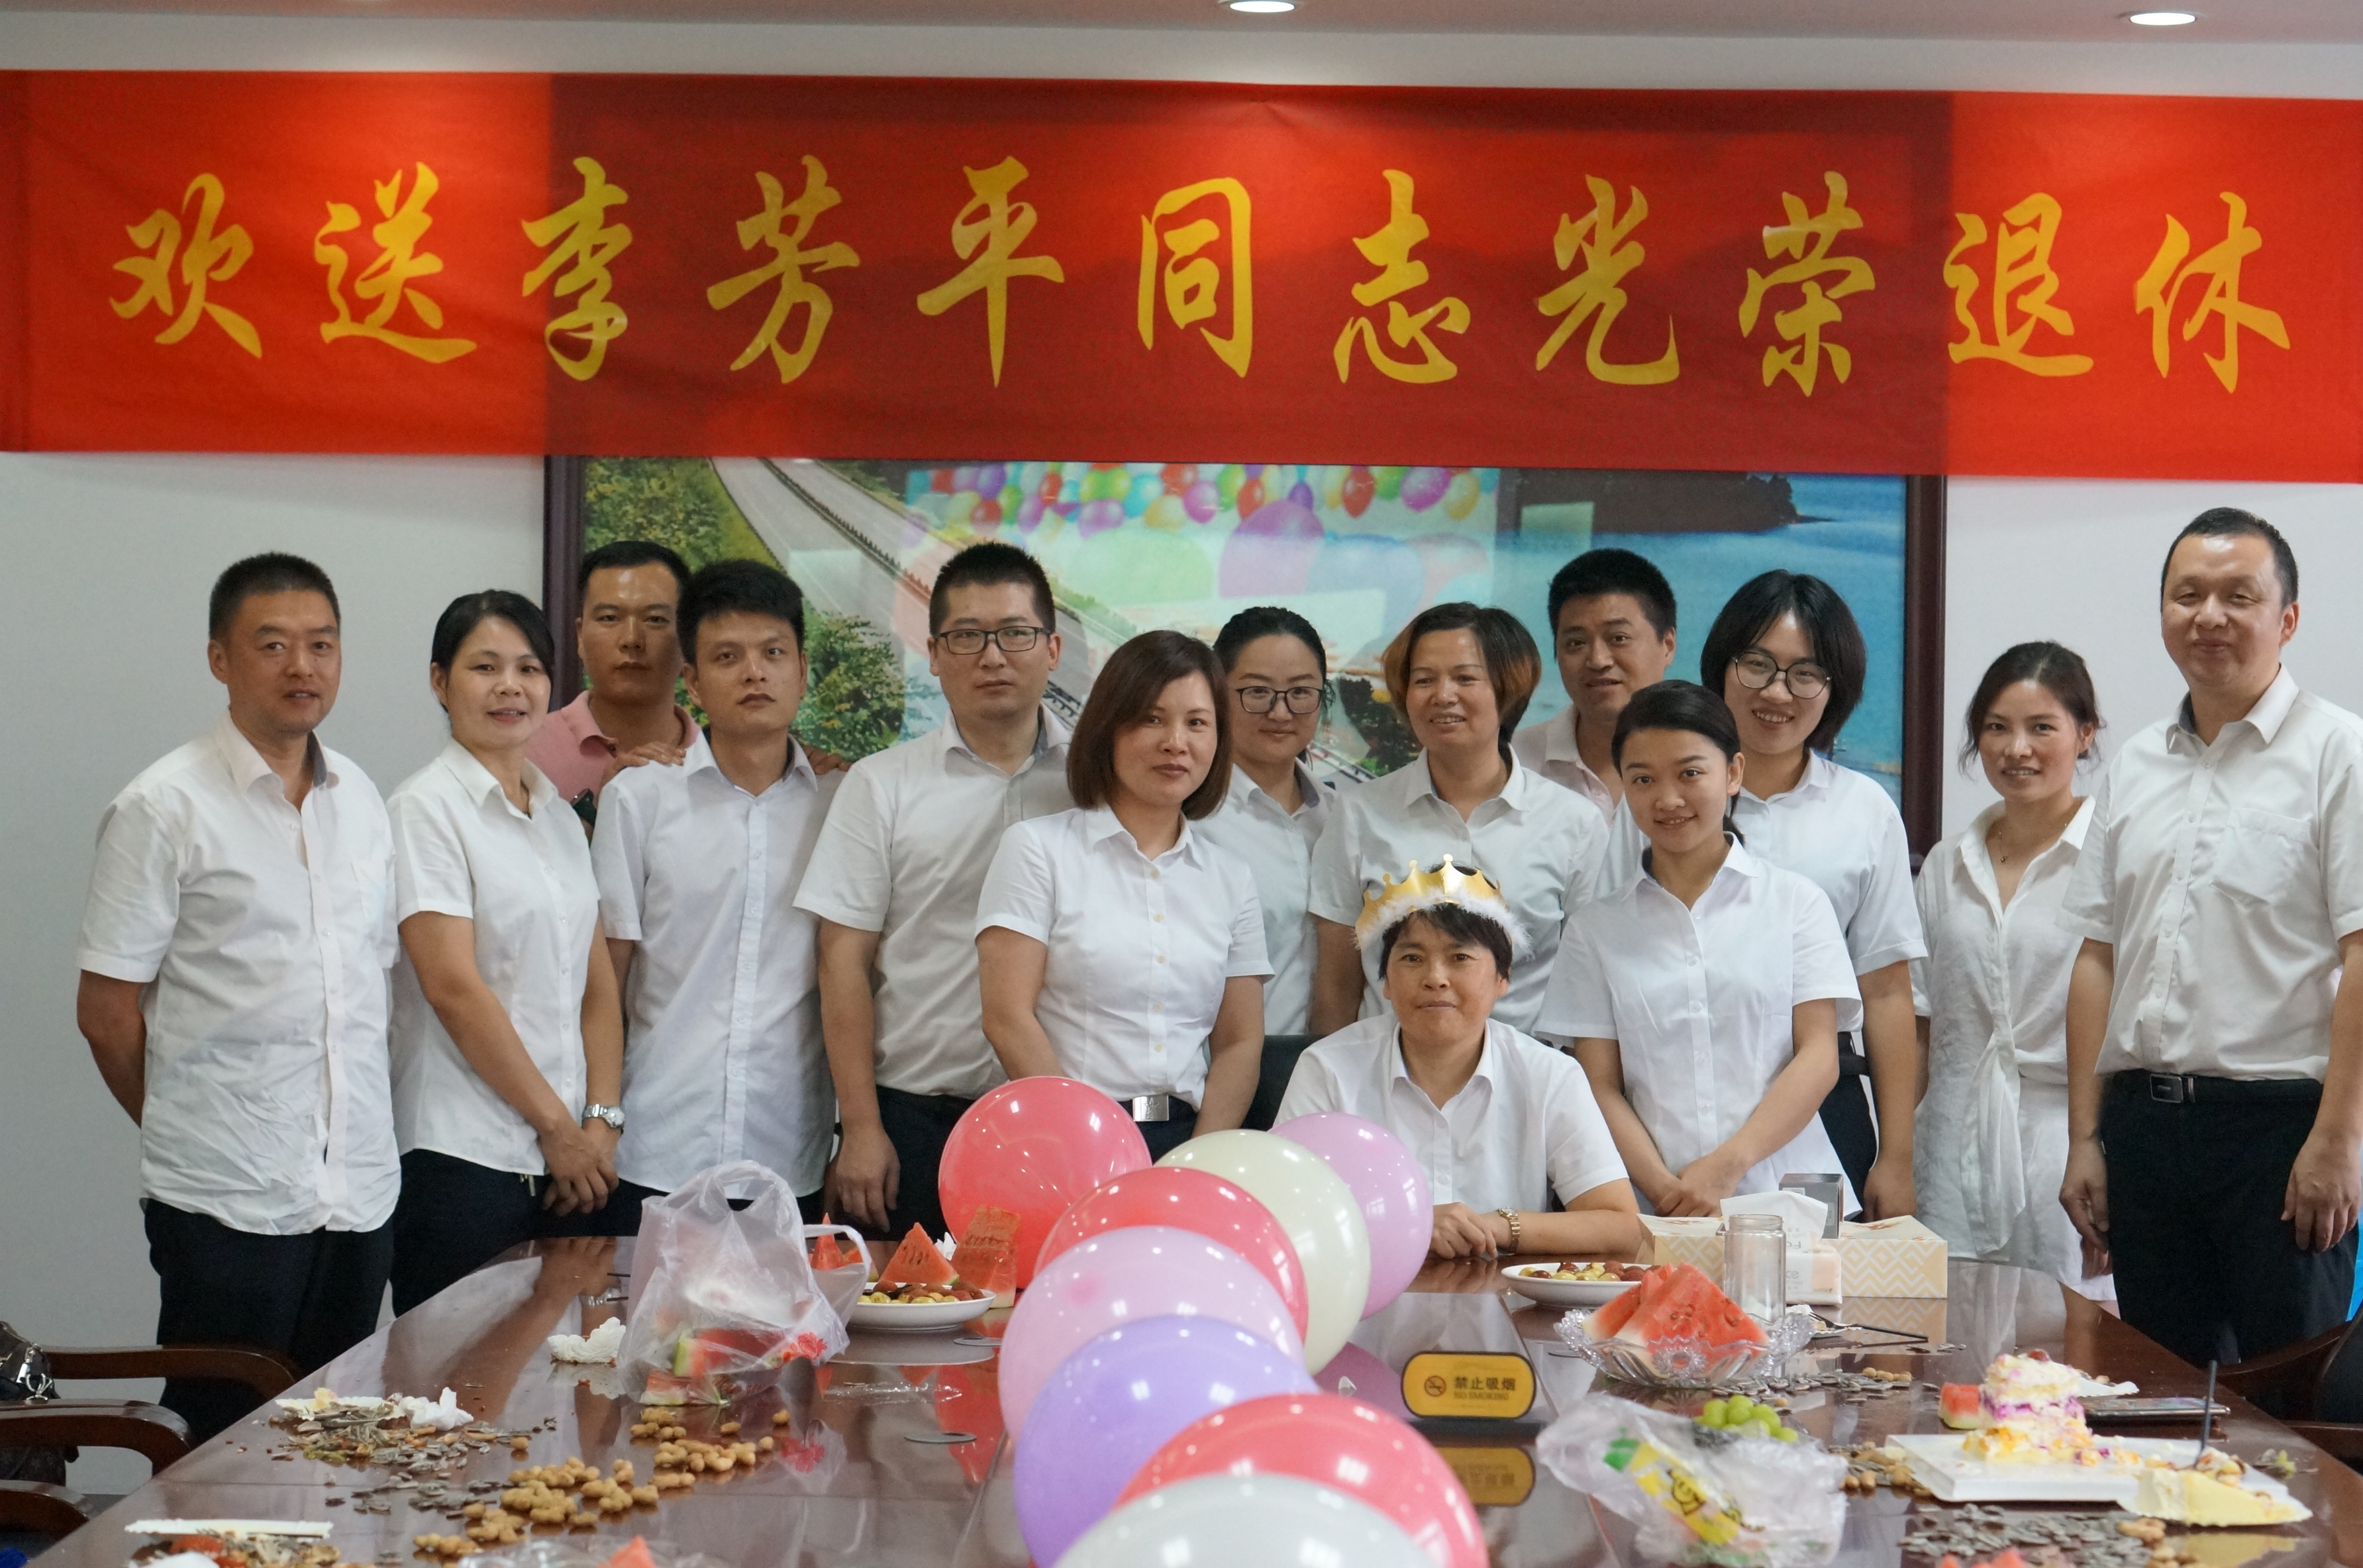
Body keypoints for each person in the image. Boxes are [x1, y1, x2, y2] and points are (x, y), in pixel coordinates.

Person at [75, 554, 397, 1442]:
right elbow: (106, 1012)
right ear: (220, 658)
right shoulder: (163, 807)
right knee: (216, 1452)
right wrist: (187, 1125)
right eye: (273, 645)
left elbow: (368, 990)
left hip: (358, 1194)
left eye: (321, 645)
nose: (302, 666)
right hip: (224, 1199)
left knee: (335, 1445)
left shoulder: (362, 800)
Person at [2062, 509, 2363, 1367]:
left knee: (2288, 1400)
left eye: (2239, 596)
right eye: (2187, 595)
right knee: (2159, 1389)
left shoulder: (2339, 754)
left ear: (2287, 619)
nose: (2209, 616)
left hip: (2279, 1134)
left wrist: (2339, 1140)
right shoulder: (2136, 765)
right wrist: (2086, 1137)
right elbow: (2097, 956)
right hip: (2145, 1134)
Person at [795, 542, 1073, 1240]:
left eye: (1015, 633)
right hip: (916, 1119)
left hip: (1060, 1123)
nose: (993, 656)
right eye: (967, 636)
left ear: (1053, 649)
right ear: (935, 654)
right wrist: (861, 1127)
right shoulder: (881, 785)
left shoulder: (1099, 784)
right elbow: (841, 960)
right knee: (906, 1308)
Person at [387, 591, 626, 1314]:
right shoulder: (423, 810)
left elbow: (597, 987)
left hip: (570, 1166)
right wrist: (558, 1129)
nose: (509, 687)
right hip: (464, 1158)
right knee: (455, 1374)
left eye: (528, 668)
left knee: (564, 1373)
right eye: (484, 667)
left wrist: (600, 1124)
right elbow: (453, 987)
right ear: (440, 681)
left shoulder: (558, 818)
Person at [1542, 681, 1860, 1218]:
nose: (1668, 799)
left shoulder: (1796, 903)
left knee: (1814, 1279)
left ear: (1733, 773)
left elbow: (1819, 1057)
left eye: (1690, 773)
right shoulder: (1595, 929)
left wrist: (1726, 1168)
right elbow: (1599, 1084)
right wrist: (1666, 1191)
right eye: (1643, 779)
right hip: (1655, 1201)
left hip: (1794, 1190)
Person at [591, 560, 841, 1234]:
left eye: (772, 654)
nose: (754, 673)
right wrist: (600, 1116)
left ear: (802, 670)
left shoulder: (844, 805)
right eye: (727, 657)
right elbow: (607, 978)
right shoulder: (639, 799)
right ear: (694, 682)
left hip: (789, 1155)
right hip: (656, 1147)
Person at [976, 631, 1270, 1159]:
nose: (1176, 742)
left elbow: (1240, 1041)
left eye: (1197, 723)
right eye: (1152, 719)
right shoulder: (1038, 850)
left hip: (1188, 1138)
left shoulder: (1232, 877)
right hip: (1064, 1142)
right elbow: (1007, 1017)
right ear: (1108, 728)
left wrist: (1198, 1161)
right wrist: (1084, 1144)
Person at [1698, 571, 1923, 1219]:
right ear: (1721, 667)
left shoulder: (1863, 810)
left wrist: (1896, 1157)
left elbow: (1887, 991)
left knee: (1812, 1273)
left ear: (1834, 688)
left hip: (1821, 1109)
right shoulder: (1669, 801)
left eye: (1805, 674)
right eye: (1756, 664)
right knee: (1678, 1277)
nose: (1777, 692)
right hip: (1682, 1090)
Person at [1279, 861, 1639, 1259]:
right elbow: (1281, 1208)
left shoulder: (1549, 1074)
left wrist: (1498, 1226)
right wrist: (1410, 1224)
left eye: (1460, 957)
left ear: (1503, 979)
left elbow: (1621, 1226)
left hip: (1504, 1292)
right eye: (1412, 958)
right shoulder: (1328, 1068)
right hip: (1367, 1291)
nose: (1436, 978)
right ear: (1385, 982)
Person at [1309, 603, 1612, 1036]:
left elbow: (1592, 988)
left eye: (1465, 678)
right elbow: (1337, 986)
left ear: (1507, 689)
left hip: (1528, 1069)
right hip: (1386, 1069)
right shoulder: (1359, 814)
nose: (1443, 695)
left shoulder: (1573, 822)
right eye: (1424, 680)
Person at [1915, 642, 2111, 1297]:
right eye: (1996, 727)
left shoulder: (2113, 857)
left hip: (2065, 1146)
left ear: (2085, 733)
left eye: (2041, 727)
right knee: (1948, 1334)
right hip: (1950, 1145)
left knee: (2068, 1334)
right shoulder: (1947, 864)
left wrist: (2102, 1148)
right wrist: (1898, 1150)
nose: (2016, 748)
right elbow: (1921, 1020)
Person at [1197, 607, 1332, 1038]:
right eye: (1257, 692)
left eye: (1301, 692)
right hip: (1220, 1063)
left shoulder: (1344, 817)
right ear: (1216, 693)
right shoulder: (1191, 820)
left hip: (1332, 1064)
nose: (1281, 712)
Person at [527, 540, 697, 818]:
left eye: (655, 619)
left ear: (687, 638)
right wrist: (596, 813)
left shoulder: (714, 759)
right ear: (580, 636)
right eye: (609, 618)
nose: (631, 639)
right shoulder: (526, 752)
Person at [1513, 548, 1679, 819]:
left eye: (1618, 638)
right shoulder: (1515, 764)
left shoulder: (1709, 762)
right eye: (1576, 643)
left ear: (1668, 645)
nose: (1598, 660)